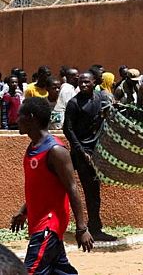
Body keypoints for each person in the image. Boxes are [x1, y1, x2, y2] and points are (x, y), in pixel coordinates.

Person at [13, 97, 93, 274]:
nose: (16, 120)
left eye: (20, 116)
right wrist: (24, 211)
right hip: (40, 224)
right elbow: (40, 187)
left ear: (31, 117)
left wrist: (82, 228)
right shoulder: (33, 147)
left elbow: (72, 188)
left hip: (48, 225)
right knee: (59, 270)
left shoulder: (55, 150)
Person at [62, 73, 116, 242]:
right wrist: (80, 151)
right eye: (81, 82)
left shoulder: (100, 98)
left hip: (97, 150)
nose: (83, 85)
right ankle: (94, 229)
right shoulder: (74, 103)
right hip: (82, 153)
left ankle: (95, 227)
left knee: (94, 192)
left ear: (94, 83)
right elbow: (67, 129)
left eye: (86, 82)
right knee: (90, 191)